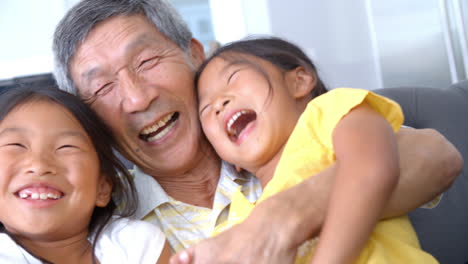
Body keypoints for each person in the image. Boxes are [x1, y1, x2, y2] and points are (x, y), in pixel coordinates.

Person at [52, 0, 462, 262]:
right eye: (102, 87)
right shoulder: (113, 230)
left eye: (146, 62)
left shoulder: (285, 131)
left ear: (194, 54)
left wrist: (281, 218)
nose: (137, 99)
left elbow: (435, 157)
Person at [194, 36, 437, 263]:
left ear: (299, 81)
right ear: (229, 159)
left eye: (233, 77)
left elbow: (372, 167)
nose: (218, 103)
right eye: (205, 109)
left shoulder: (330, 114)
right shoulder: (238, 220)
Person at [0, 86, 171, 263]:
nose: (39, 165)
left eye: (66, 147)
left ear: (102, 188)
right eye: (15, 145)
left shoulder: (135, 244)